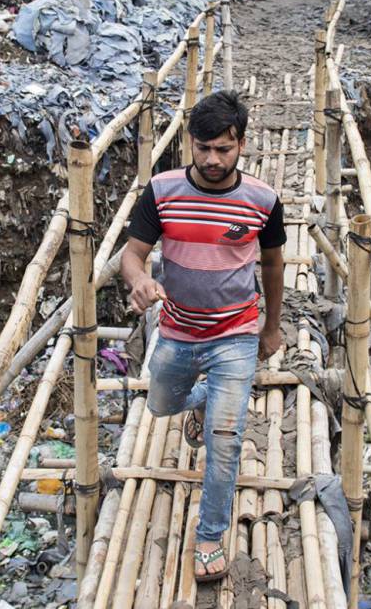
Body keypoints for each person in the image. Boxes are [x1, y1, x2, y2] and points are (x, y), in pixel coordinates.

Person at [120, 90, 285, 582]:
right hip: (176, 330)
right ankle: (202, 400)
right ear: (189, 143)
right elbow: (133, 254)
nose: (213, 159)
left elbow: (273, 264)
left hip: (235, 334)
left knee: (224, 440)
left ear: (242, 145)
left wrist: (270, 327)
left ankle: (210, 534)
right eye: (203, 148)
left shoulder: (262, 200)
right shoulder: (162, 190)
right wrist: (140, 280)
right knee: (160, 405)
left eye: (224, 149)